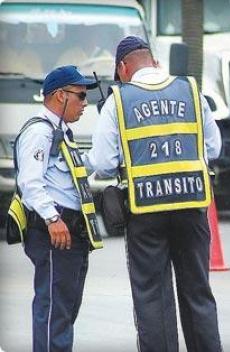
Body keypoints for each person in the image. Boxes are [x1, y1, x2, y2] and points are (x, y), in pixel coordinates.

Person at [86, 36, 223, 351]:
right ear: (154, 61)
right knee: (197, 292)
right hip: (192, 207)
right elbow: (213, 147)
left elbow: (104, 164)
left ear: (123, 68)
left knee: (152, 296)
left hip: (145, 211)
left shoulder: (118, 102)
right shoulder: (191, 90)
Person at [14, 65, 102, 351]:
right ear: (59, 96)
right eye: (80, 95)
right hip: (55, 231)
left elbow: (72, 173)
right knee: (54, 310)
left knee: (65, 309)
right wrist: (53, 218)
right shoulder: (40, 132)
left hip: (72, 231)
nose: (85, 103)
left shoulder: (61, 132)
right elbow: (30, 183)